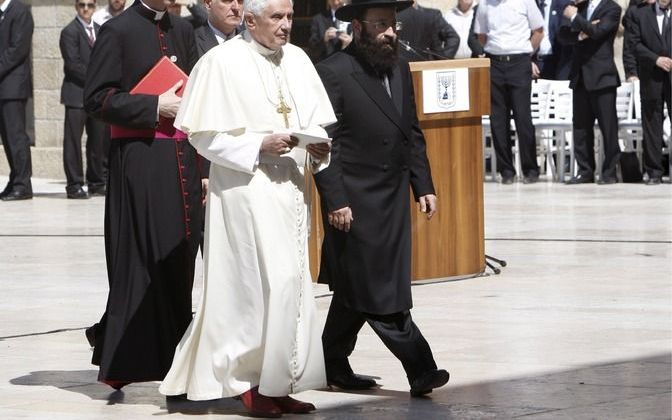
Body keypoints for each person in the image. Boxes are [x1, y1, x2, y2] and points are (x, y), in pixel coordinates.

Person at [158, 0, 335, 417]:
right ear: (250, 20)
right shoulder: (221, 62)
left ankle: (278, 380)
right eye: (277, 18)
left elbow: (315, 122)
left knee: (290, 283)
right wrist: (257, 144)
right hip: (244, 190)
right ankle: (247, 382)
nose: (286, 26)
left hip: (290, 190)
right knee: (255, 288)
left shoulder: (298, 59)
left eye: (290, 17)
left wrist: (318, 147)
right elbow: (200, 135)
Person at [313, 0, 449, 398]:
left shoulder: (402, 66)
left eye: (393, 25)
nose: (391, 32)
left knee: (358, 289)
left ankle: (331, 363)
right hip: (353, 203)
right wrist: (335, 199)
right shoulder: (334, 72)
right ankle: (421, 368)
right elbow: (326, 145)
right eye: (381, 25)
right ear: (358, 27)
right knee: (381, 291)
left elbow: (411, 131)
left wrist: (423, 184)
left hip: (391, 200)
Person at [83, 0, 202, 390]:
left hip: (181, 159)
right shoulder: (116, 31)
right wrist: (154, 105)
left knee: (177, 257)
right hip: (140, 160)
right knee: (141, 258)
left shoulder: (184, 30)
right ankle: (125, 355)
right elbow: (97, 100)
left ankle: (174, 359)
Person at [474, 0, 544, 184]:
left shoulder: (525, 2)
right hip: (495, 63)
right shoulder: (484, 4)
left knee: (523, 118)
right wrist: (496, 49)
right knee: (498, 119)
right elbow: (481, 35)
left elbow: (538, 30)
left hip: (519, 61)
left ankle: (530, 169)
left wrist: (527, 51)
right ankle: (506, 171)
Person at [559, 0, 622, 184]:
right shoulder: (579, 7)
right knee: (580, 127)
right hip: (580, 77)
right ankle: (585, 171)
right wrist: (579, 35)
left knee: (608, 128)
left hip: (602, 77)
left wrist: (575, 18)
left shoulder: (612, 8)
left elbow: (598, 32)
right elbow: (562, 35)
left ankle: (609, 172)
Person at [59, 0, 107, 199]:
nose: (85, 9)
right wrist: (98, 79)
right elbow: (73, 65)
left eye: (89, 5)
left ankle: (96, 182)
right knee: (73, 142)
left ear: (94, 6)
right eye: (81, 5)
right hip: (76, 95)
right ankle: (74, 184)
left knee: (98, 141)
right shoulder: (69, 31)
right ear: (76, 7)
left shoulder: (100, 29)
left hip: (95, 97)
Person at [627, 0, 671, 185]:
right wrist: (655, 59)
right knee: (652, 124)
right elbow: (634, 44)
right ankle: (654, 172)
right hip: (651, 77)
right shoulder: (640, 14)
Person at [0, 0, 34, 201]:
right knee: (7, 138)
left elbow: (17, 50)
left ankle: (23, 185)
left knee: (16, 137)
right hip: (2, 88)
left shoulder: (20, 12)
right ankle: (15, 180)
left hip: (13, 87)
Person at [532, 0, 573, 80]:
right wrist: (526, 61)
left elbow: (567, 39)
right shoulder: (527, 4)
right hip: (533, 64)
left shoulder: (565, 5)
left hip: (556, 63)